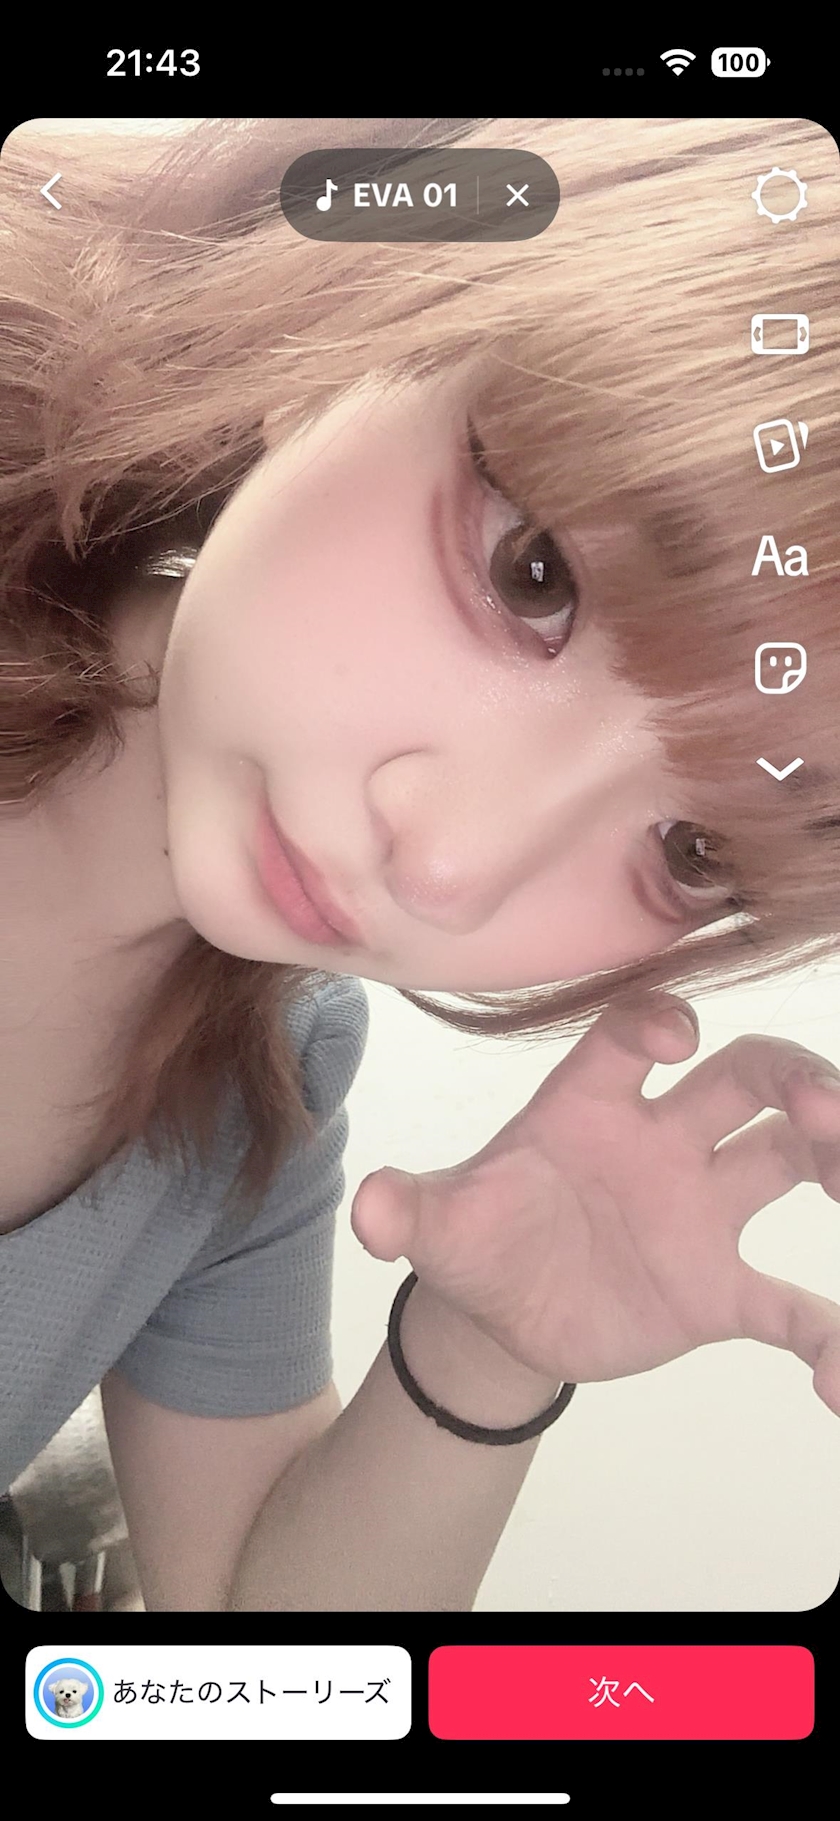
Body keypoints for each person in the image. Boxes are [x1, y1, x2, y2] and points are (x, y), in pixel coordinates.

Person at [1, 115, 839, 1613]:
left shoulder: (256, 1087)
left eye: (694, 850)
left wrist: (480, 1351)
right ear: (369, 311)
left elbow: (257, 1663)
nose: (449, 871)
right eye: (536, 574)